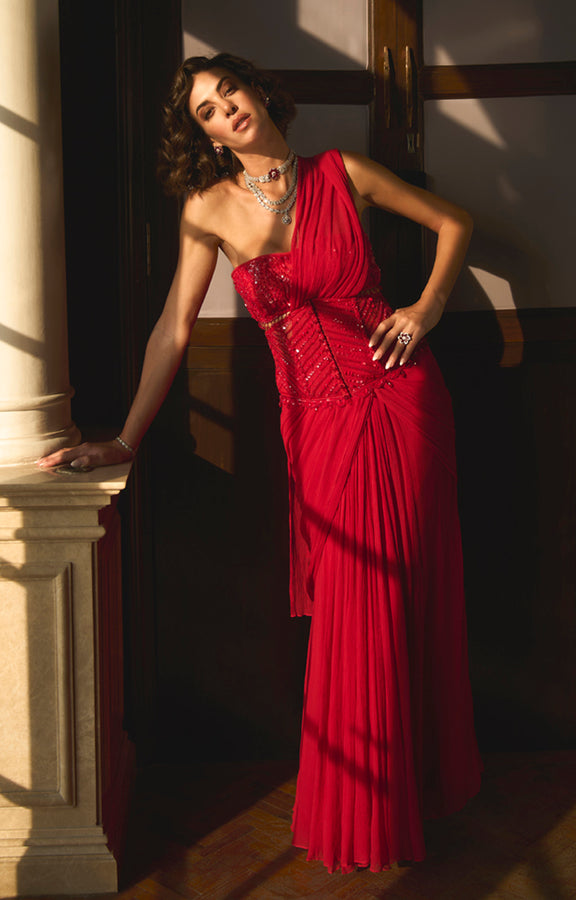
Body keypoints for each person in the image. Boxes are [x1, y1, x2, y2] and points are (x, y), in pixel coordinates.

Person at [39, 53, 482, 873]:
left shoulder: (341, 172)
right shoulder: (206, 208)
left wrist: (426, 307)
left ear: (257, 90)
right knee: (354, 606)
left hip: (399, 400)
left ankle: (399, 801)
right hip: (315, 426)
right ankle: (366, 808)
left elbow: (455, 224)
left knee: (397, 600)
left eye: (228, 91)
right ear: (203, 133)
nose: (225, 110)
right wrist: (127, 440)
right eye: (206, 110)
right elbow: (174, 328)